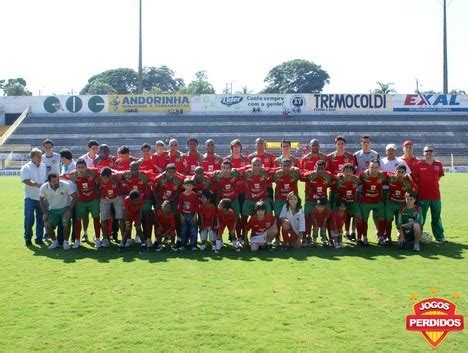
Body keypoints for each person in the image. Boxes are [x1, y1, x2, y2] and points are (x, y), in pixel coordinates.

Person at [412, 145, 446, 242]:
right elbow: (416, 179)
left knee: (436, 217)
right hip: (422, 196)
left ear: (433, 152)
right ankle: (418, 236)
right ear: (423, 153)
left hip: (436, 196)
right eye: (426, 151)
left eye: (430, 151)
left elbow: (438, 178)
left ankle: (439, 236)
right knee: (421, 218)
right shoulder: (419, 164)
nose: (428, 153)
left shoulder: (438, 164)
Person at [66, 159, 101, 248]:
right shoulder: (73, 175)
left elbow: (105, 173)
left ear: (86, 167)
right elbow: (63, 177)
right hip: (80, 201)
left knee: (96, 218)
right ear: (76, 168)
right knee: (78, 219)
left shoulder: (94, 172)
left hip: (94, 200)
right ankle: (77, 240)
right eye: (79, 168)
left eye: (82, 167)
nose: (81, 169)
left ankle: (97, 239)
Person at [39, 173, 77, 250]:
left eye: (57, 180)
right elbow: (41, 200)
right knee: (47, 224)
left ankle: (65, 242)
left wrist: (69, 210)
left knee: (66, 223)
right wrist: (45, 213)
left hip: (65, 209)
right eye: (54, 181)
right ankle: (54, 242)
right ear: (49, 182)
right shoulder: (44, 187)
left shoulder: (65, 185)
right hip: (52, 210)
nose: (57, 182)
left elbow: (75, 196)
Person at [301, 160, 334, 240]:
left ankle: (331, 238)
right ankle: (306, 237)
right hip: (310, 200)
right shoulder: (309, 175)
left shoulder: (328, 176)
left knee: (330, 215)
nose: (320, 171)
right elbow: (301, 176)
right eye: (318, 168)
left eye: (322, 169)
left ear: (324, 169)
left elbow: (335, 178)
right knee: (307, 215)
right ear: (314, 168)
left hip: (323, 200)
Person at [20, 148, 47, 245]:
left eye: (41, 156)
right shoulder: (26, 167)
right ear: (32, 157)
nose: (40, 158)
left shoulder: (43, 166)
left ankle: (39, 238)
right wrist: (37, 184)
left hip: (42, 197)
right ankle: (28, 238)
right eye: (38, 156)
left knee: (41, 219)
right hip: (30, 197)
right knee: (29, 218)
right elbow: (26, 180)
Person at [385, 165, 417, 242]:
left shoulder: (407, 181)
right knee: (388, 220)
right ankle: (388, 237)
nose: (400, 174)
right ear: (395, 172)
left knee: (399, 221)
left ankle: (401, 235)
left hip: (401, 204)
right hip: (391, 203)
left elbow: (415, 188)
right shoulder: (391, 177)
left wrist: (410, 196)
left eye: (402, 172)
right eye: (398, 172)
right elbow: (383, 174)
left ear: (405, 173)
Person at [359, 158, 388, 246]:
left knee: (382, 218)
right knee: (364, 220)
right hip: (366, 202)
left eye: (376, 167)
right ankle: (364, 237)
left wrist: (406, 176)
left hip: (378, 201)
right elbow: (355, 180)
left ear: (379, 168)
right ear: (368, 167)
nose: (374, 169)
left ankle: (381, 237)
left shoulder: (383, 175)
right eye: (372, 167)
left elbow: (394, 176)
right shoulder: (363, 175)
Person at [99, 167, 125, 248]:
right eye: (103, 178)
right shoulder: (99, 178)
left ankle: (124, 239)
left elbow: (121, 188)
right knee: (103, 218)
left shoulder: (117, 178)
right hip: (105, 198)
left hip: (117, 197)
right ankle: (105, 239)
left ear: (111, 176)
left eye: (106, 178)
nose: (104, 180)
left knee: (120, 218)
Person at [177, 178, 200, 251]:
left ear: (193, 186)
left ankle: (193, 245)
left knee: (193, 231)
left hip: (192, 215)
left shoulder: (194, 195)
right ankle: (183, 245)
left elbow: (196, 206)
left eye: (190, 185)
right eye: (187, 185)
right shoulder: (182, 195)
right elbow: (180, 206)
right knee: (183, 230)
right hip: (184, 215)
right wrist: (181, 216)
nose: (189, 187)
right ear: (184, 186)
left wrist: (195, 215)